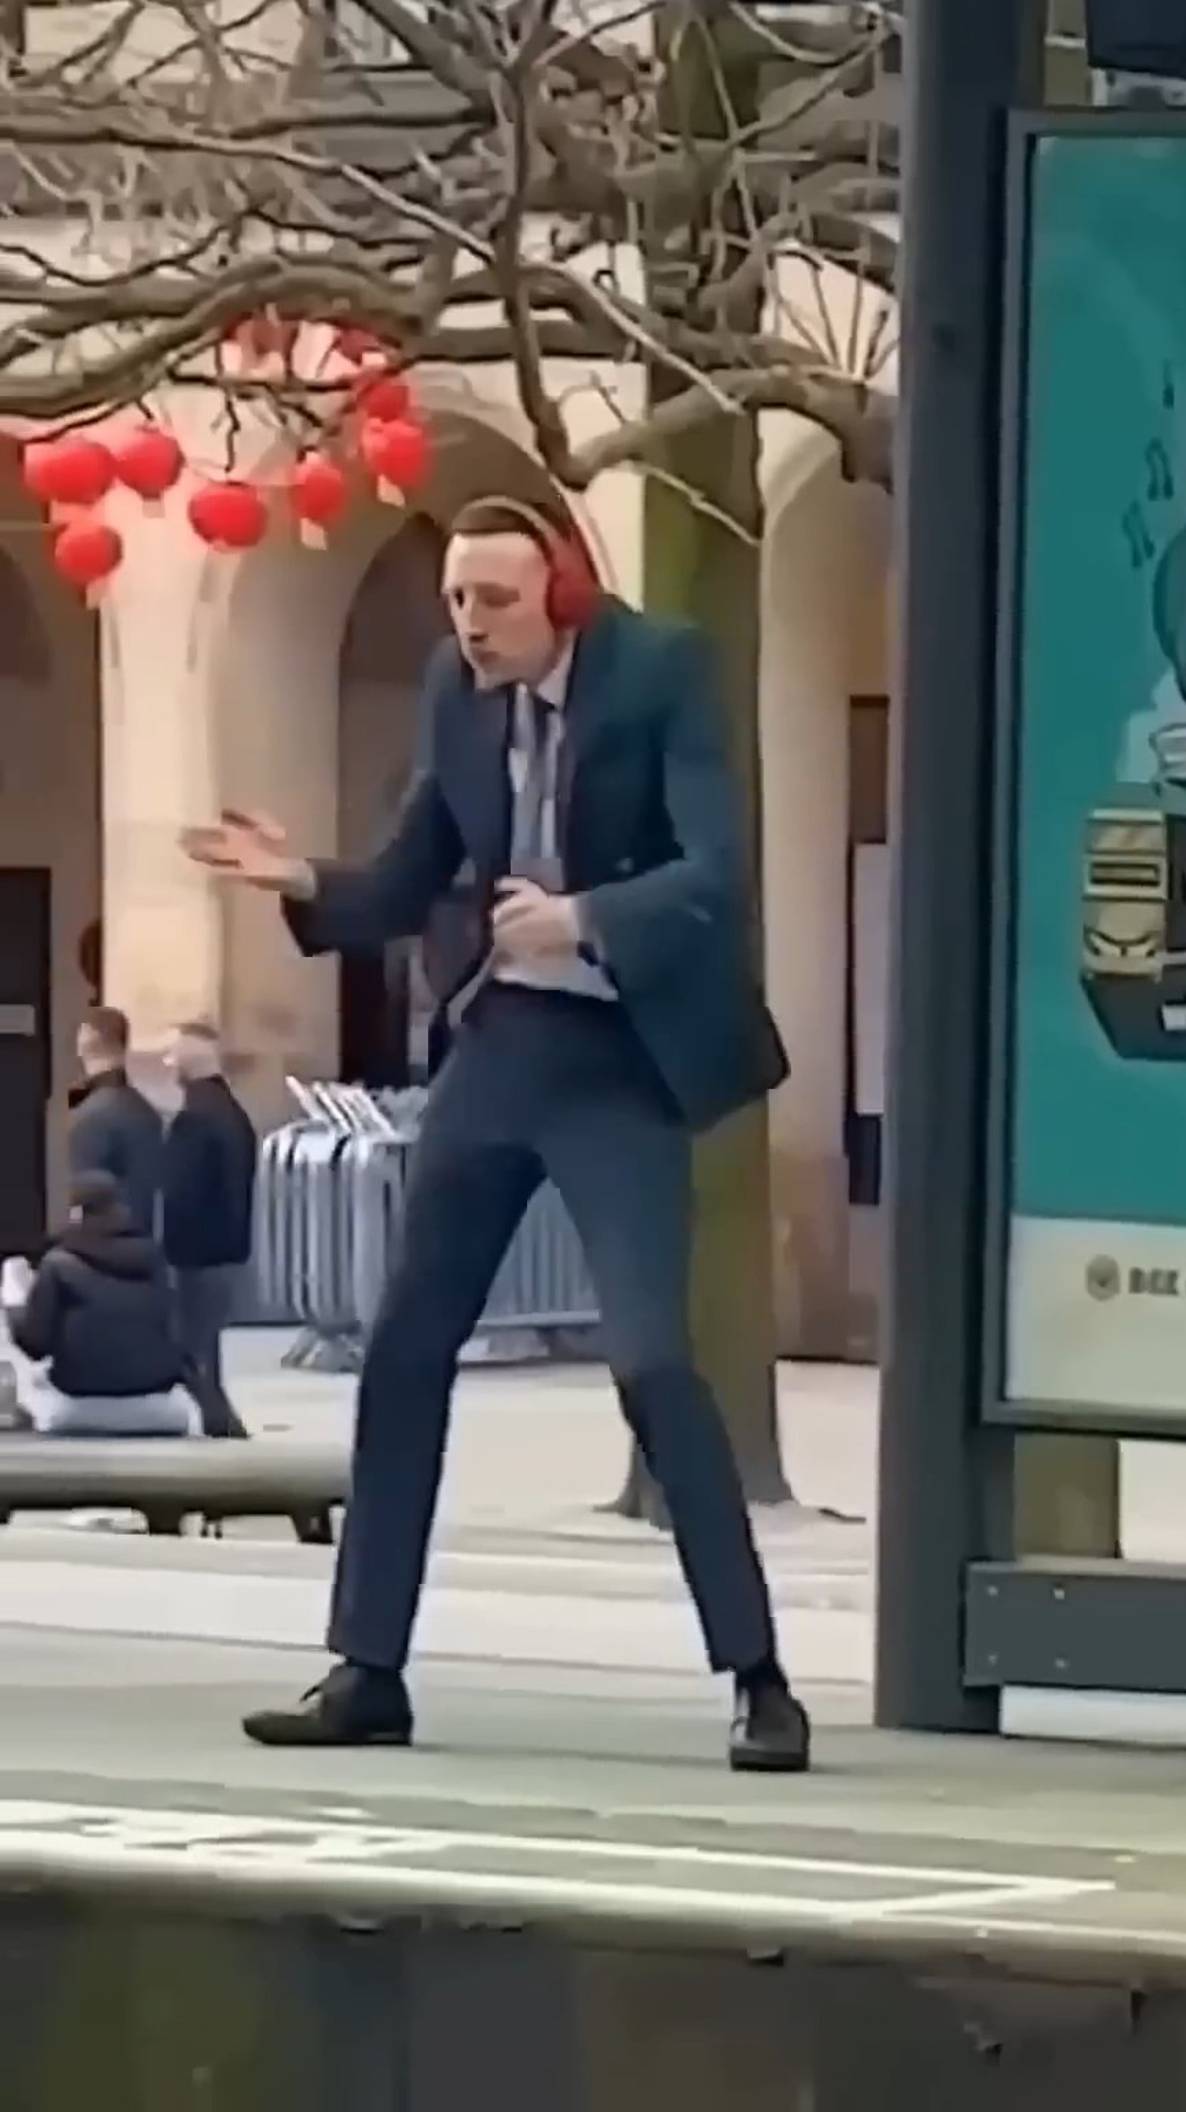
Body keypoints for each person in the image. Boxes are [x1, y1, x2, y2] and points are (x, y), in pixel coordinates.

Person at [182, 494, 808, 1773]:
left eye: (496, 601)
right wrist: (303, 881)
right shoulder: (456, 694)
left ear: (562, 594)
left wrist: (581, 917)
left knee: (652, 1361)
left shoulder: (661, 672)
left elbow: (715, 871)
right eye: (458, 600)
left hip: (619, 1059)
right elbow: (410, 875)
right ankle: (367, 1670)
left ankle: (757, 1676)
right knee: (403, 1346)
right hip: (498, 1046)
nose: (470, 625)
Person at [7, 1172, 191, 1436]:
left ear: (77, 1213)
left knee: (29, 1385)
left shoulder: (58, 1263)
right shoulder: (154, 1259)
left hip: (78, 1404)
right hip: (159, 1405)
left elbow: (34, 1345)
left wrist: (15, 1301)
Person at [162, 1021, 256, 1442]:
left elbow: (180, 1193)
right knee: (204, 1347)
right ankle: (220, 1423)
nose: (168, 1063)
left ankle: (222, 1424)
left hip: (198, 1252)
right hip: (227, 1247)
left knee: (191, 1346)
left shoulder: (194, 1119)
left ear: (192, 1060)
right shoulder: (231, 1113)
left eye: (174, 1055)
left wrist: (168, 1248)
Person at [69, 1005, 163, 1239]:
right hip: (143, 1243)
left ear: (85, 1040)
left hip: (103, 1248)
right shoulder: (147, 1111)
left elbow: (74, 1200)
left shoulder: (90, 1116)